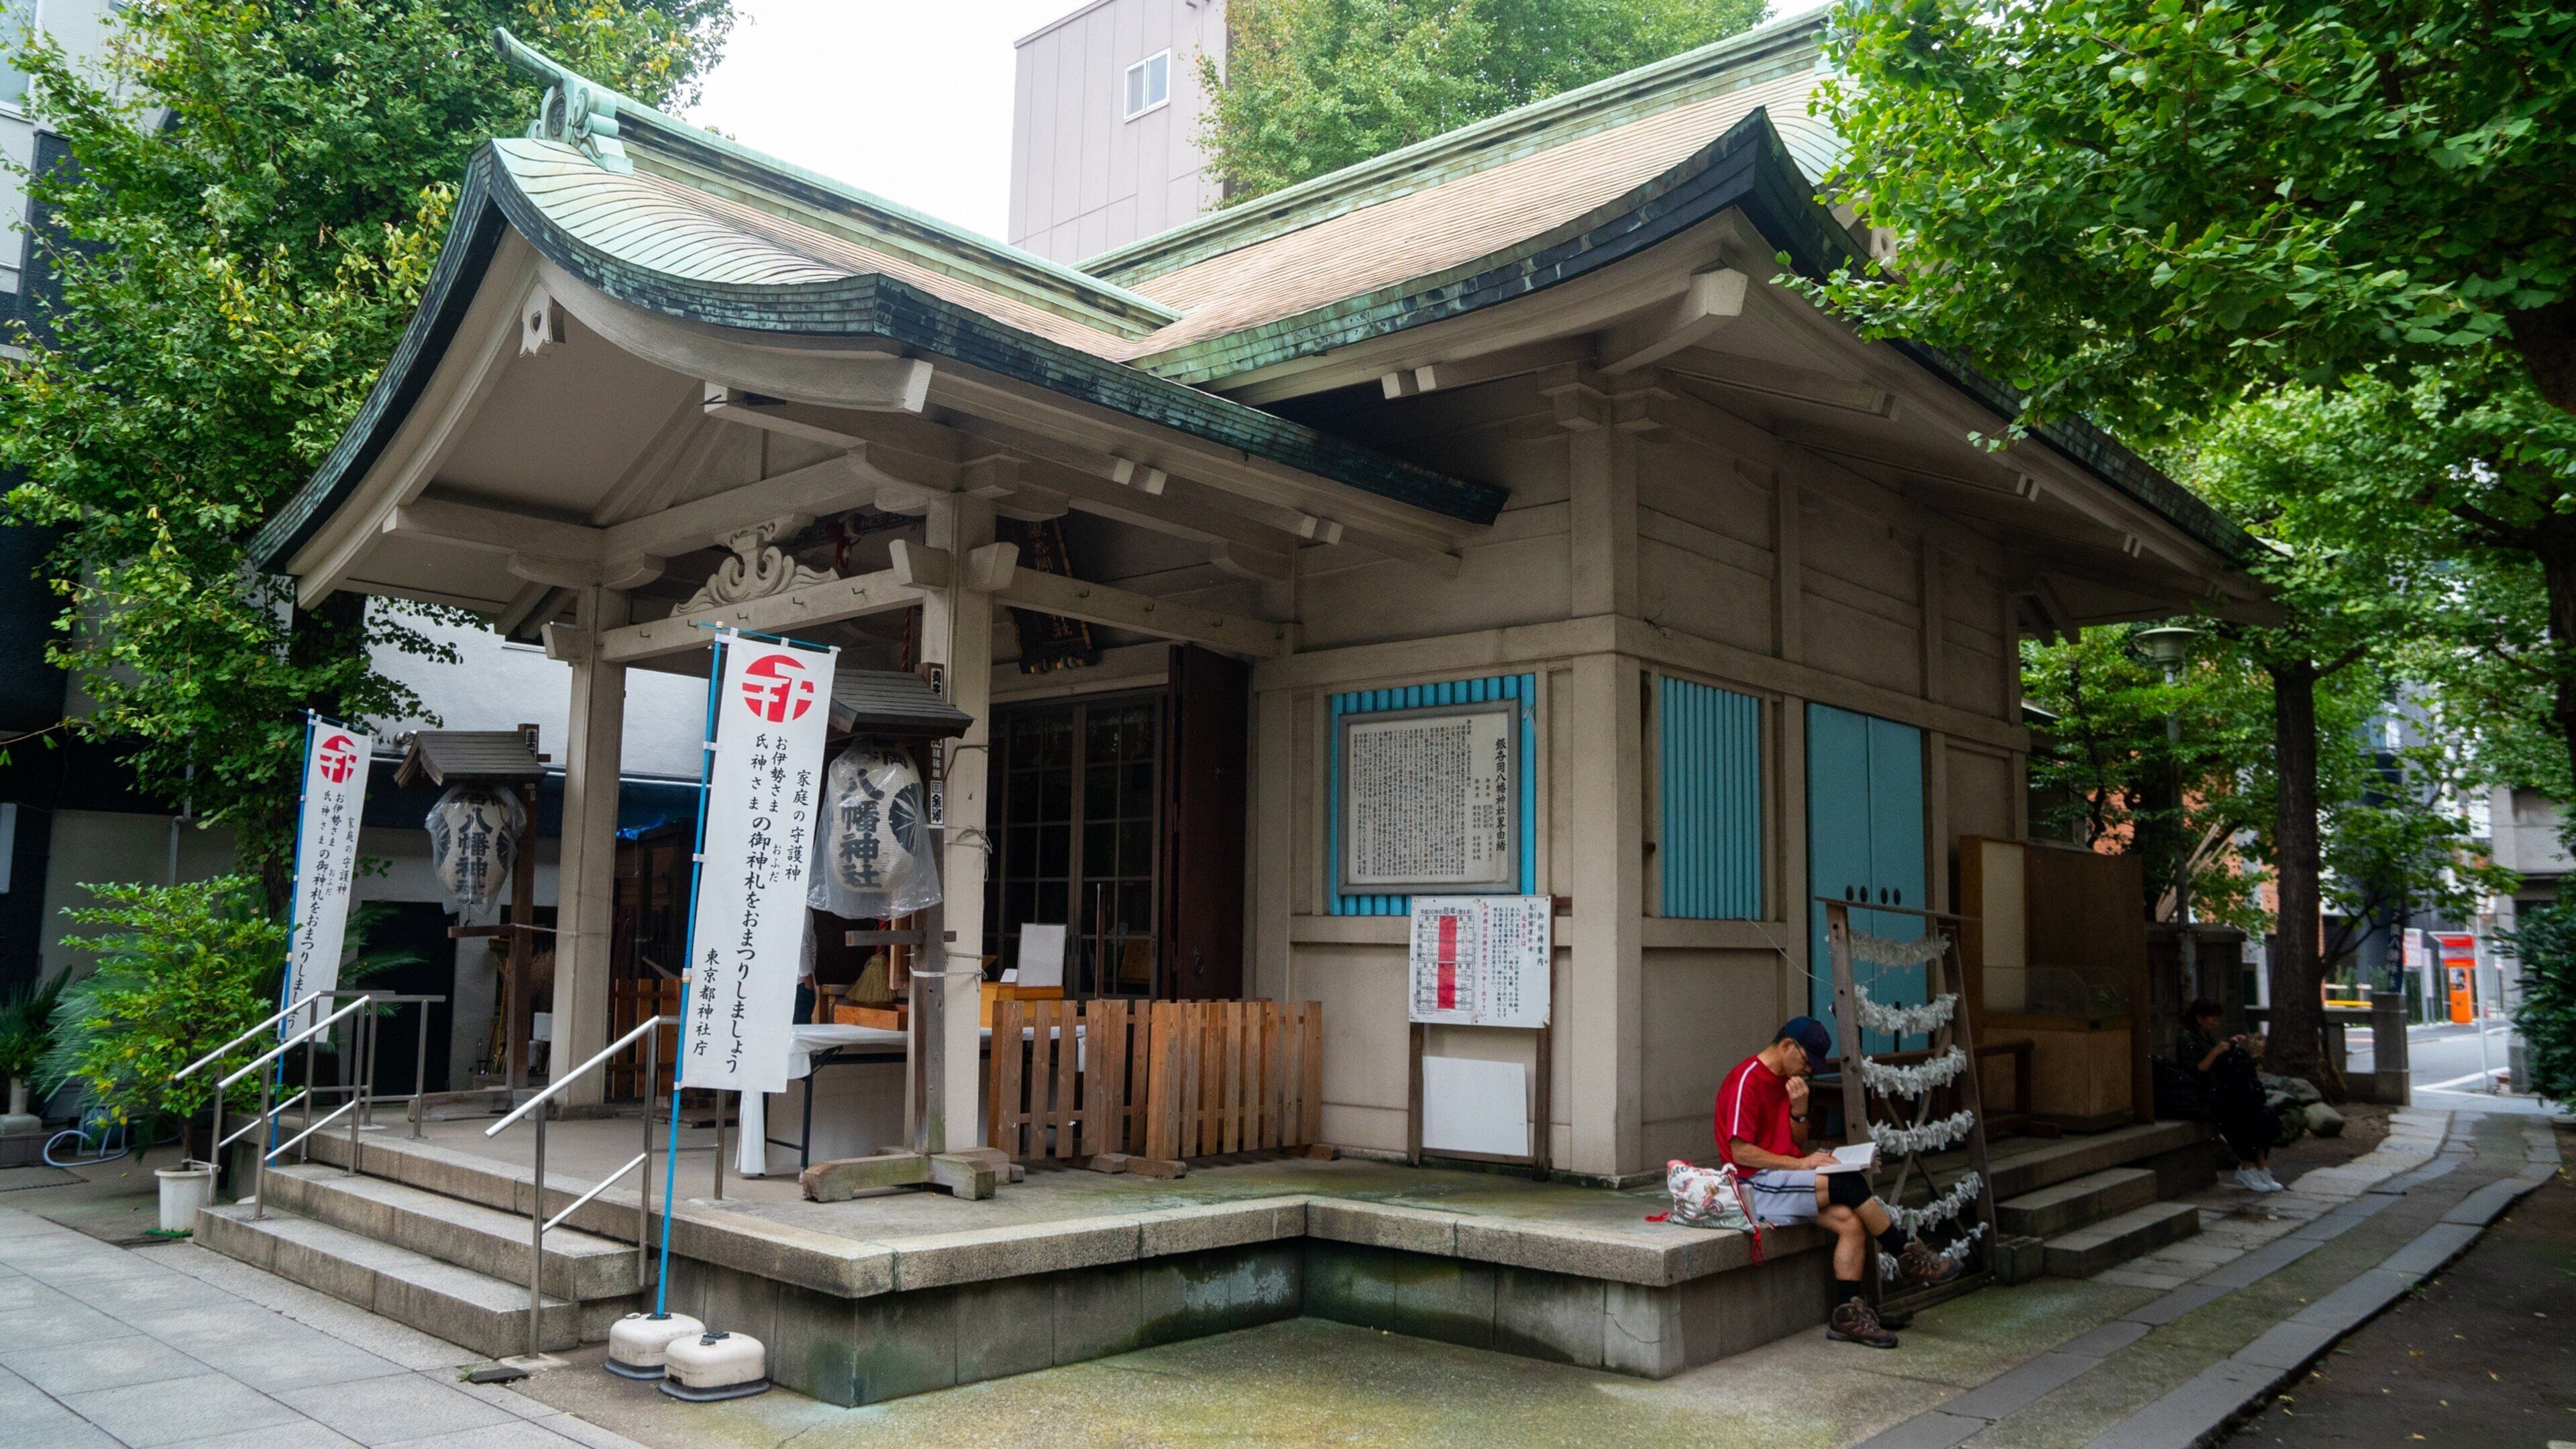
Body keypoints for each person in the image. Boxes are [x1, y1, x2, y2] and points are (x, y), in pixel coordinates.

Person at [1715, 1017, 1964, 1350]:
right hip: (1751, 1186)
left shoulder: (1789, 1083)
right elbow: (1740, 1151)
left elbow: (1796, 1141)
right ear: (1787, 1046)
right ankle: (1905, 1252)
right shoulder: (1747, 1079)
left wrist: (1800, 1112)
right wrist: (1802, 1164)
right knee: (1846, 1182)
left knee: (1850, 1220)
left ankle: (1848, 1316)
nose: (1807, 1072)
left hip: (1782, 1178)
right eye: (1805, 1062)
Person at [2178, 998, 2282, 1192]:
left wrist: (2230, 1046)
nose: (2217, 1024)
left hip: (2222, 1091)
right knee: (2240, 1115)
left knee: (2264, 1114)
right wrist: (2216, 1052)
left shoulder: (2207, 1037)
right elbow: (2194, 1073)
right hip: (2202, 1095)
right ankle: (2247, 1166)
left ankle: (2261, 1165)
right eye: (2213, 1019)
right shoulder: (2187, 1039)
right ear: (2200, 1019)